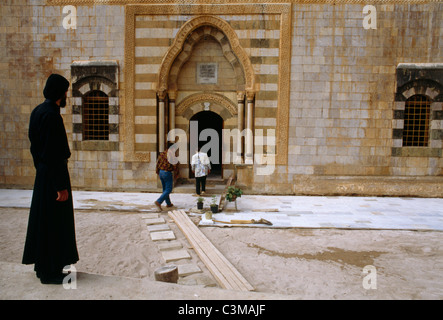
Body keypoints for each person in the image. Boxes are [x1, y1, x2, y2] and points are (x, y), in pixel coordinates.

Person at [22, 74, 79, 285]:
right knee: (54, 224)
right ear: (59, 93)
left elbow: (35, 148)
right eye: (65, 92)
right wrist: (60, 186)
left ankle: (44, 267)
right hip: (54, 178)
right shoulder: (52, 116)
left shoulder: (38, 111)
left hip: (44, 175)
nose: (66, 96)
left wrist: (42, 171)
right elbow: (54, 153)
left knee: (44, 221)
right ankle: (50, 273)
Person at [155, 143, 179, 211]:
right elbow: (175, 165)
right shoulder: (171, 154)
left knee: (165, 189)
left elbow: (158, 163)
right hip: (167, 173)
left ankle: (168, 203)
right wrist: (176, 174)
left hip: (161, 172)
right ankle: (158, 201)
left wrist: (158, 172)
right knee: (169, 189)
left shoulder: (162, 153)